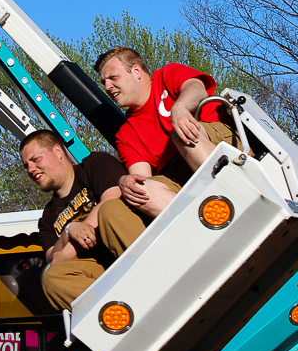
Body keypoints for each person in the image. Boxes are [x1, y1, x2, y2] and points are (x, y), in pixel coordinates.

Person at [94, 46, 245, 222]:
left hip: (221, 143)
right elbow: (143, 178)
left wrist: (180, 107)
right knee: (137, 191)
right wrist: (128, 183)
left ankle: (238, 194)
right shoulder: (126, 134)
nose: (107, 86)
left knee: (181, 133)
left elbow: (197, 88)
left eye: (113, 78)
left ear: (136, 71)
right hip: (185, 179)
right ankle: (203, 223)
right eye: (104, 82)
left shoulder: (167, 75)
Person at [19, 130, 126, 311]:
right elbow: (53, 259)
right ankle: (115, 310)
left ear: (58, 152)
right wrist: (69, 231)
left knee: (111, 211)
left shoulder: (95, 165)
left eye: (36, 159)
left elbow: (113, 197)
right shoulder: (47, 218)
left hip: (128, 248)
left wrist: (74, 241)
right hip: (95, 274)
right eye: (26, 166)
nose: (30, 170)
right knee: (51, 278)